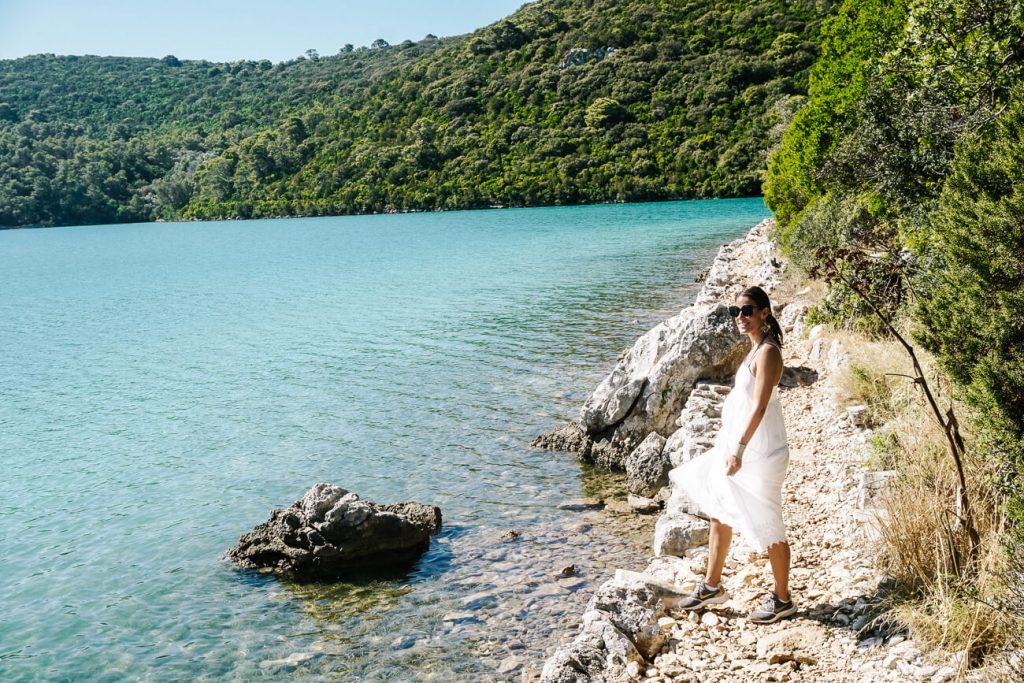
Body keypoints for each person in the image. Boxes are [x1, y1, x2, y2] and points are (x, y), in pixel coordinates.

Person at [668, 285, 794, 624]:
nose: (740, 317)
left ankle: (783, 599)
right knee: (718, 509)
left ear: (765, 312)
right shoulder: (754, 350)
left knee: (768, 522)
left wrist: (738, 449)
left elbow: (760, 405)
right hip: (742, 446)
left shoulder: (768, 352)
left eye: (748, 310)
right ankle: (712, 586)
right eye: (735, 312)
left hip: (759, 451)